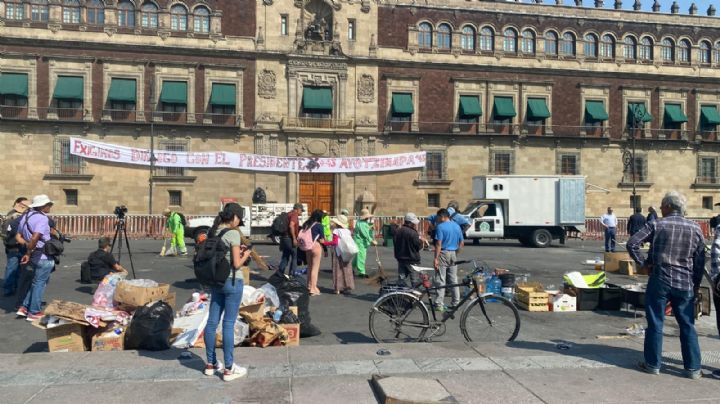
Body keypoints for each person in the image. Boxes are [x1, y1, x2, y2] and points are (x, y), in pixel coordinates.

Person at [627, 192, 705, 380]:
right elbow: (700, 260)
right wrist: (696, 284)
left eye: (662, 206)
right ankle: (693, 368)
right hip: (685, 281)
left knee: (655, 323)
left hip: (660, 279)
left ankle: (653, 364)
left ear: (669, 206)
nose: (660, 209)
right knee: (687, 324)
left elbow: (632, 243)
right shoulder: (695, 228)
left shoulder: (656, 224)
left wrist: (643, 264)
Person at [203, 203, 251, 382]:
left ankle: (210, 363)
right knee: (228, 323)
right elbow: (237, 264)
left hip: (216, 281)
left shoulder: (213, 232)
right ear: (236, 217)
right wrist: (247, 253)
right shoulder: (232, 233)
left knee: (212, 321)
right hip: (232, 281)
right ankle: (229, 368)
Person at [15, 195, 55, 321]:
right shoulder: (42, 219)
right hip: (43, 255)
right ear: (42, 206)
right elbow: (35, 237)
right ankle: (34, 311)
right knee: (40, 284)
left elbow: (18, 237)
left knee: (35, 282)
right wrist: (29, 250)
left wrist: (28, 251)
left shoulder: (25, 217)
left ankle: (25, 307)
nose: (50, 207)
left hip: (33, 255)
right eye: (49, 204)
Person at [432, 208, 464, 312]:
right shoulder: (457, 226)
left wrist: (436, 258)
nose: (437, 219)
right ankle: (456, 302)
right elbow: (461, 243)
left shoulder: (440, 227)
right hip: (453, 253)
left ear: (442, 216)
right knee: (453, 279)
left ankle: (439, 303)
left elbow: (438, 244)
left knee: (441, 279)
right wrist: (456, 253)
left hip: (443, 253)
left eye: (438, 217)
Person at [2, 197, 28, 296]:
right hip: (15, 245)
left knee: (14, 267)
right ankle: (9, 288)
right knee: (14, 267)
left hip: (10, 245)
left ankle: (12, 287)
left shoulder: (10, 214)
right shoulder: (15, 216)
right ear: (18, 203)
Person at [323, 215, 355, 295]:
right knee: (346, 269)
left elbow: (334, 242)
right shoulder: (347, 231)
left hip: (338, 251)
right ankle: (347, 286)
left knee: (337, 269)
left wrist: (325, 242)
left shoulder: (336, 231)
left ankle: (337, 288)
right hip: (347, 252)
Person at [393, 212, 424, 287]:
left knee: (401, 279)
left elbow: (395, 243)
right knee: (415, 281)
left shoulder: (398, 231)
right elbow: (418, 246)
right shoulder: (413, 233)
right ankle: (414, 297)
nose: (415, 224)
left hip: (400, 258)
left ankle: (400, 296)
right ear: (411, 223)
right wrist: (422, 241)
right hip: (412, 259)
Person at [301, 209, 326, 296]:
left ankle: (308, 285)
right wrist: (325, 249)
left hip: (307, 246)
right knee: (315, 269)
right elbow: (322, 240)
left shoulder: (306, 224)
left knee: (310, 267)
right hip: (316, 246)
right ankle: (313, 288)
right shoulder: (319, 225)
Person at [278, 203, 303, 275]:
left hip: (284, 238)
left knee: (285, 257)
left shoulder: (288, 214)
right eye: (301, 210)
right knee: (295, 256)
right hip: (289, 239)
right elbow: (291, 226)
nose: (301, 212)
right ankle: (292, 275)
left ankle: (280, 273)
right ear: (298, 209)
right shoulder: (294, 215)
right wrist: (294, 238)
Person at [353, 208, 376, 279]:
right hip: (361, 243)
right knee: (361, 257)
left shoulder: (360, 222)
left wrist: (370, 227)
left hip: (358, 242)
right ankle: (361, 272)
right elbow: (364, 234)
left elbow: (364, 229)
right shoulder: (362, 223)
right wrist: (372, 240)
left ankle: (351, 268)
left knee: (357, 257)